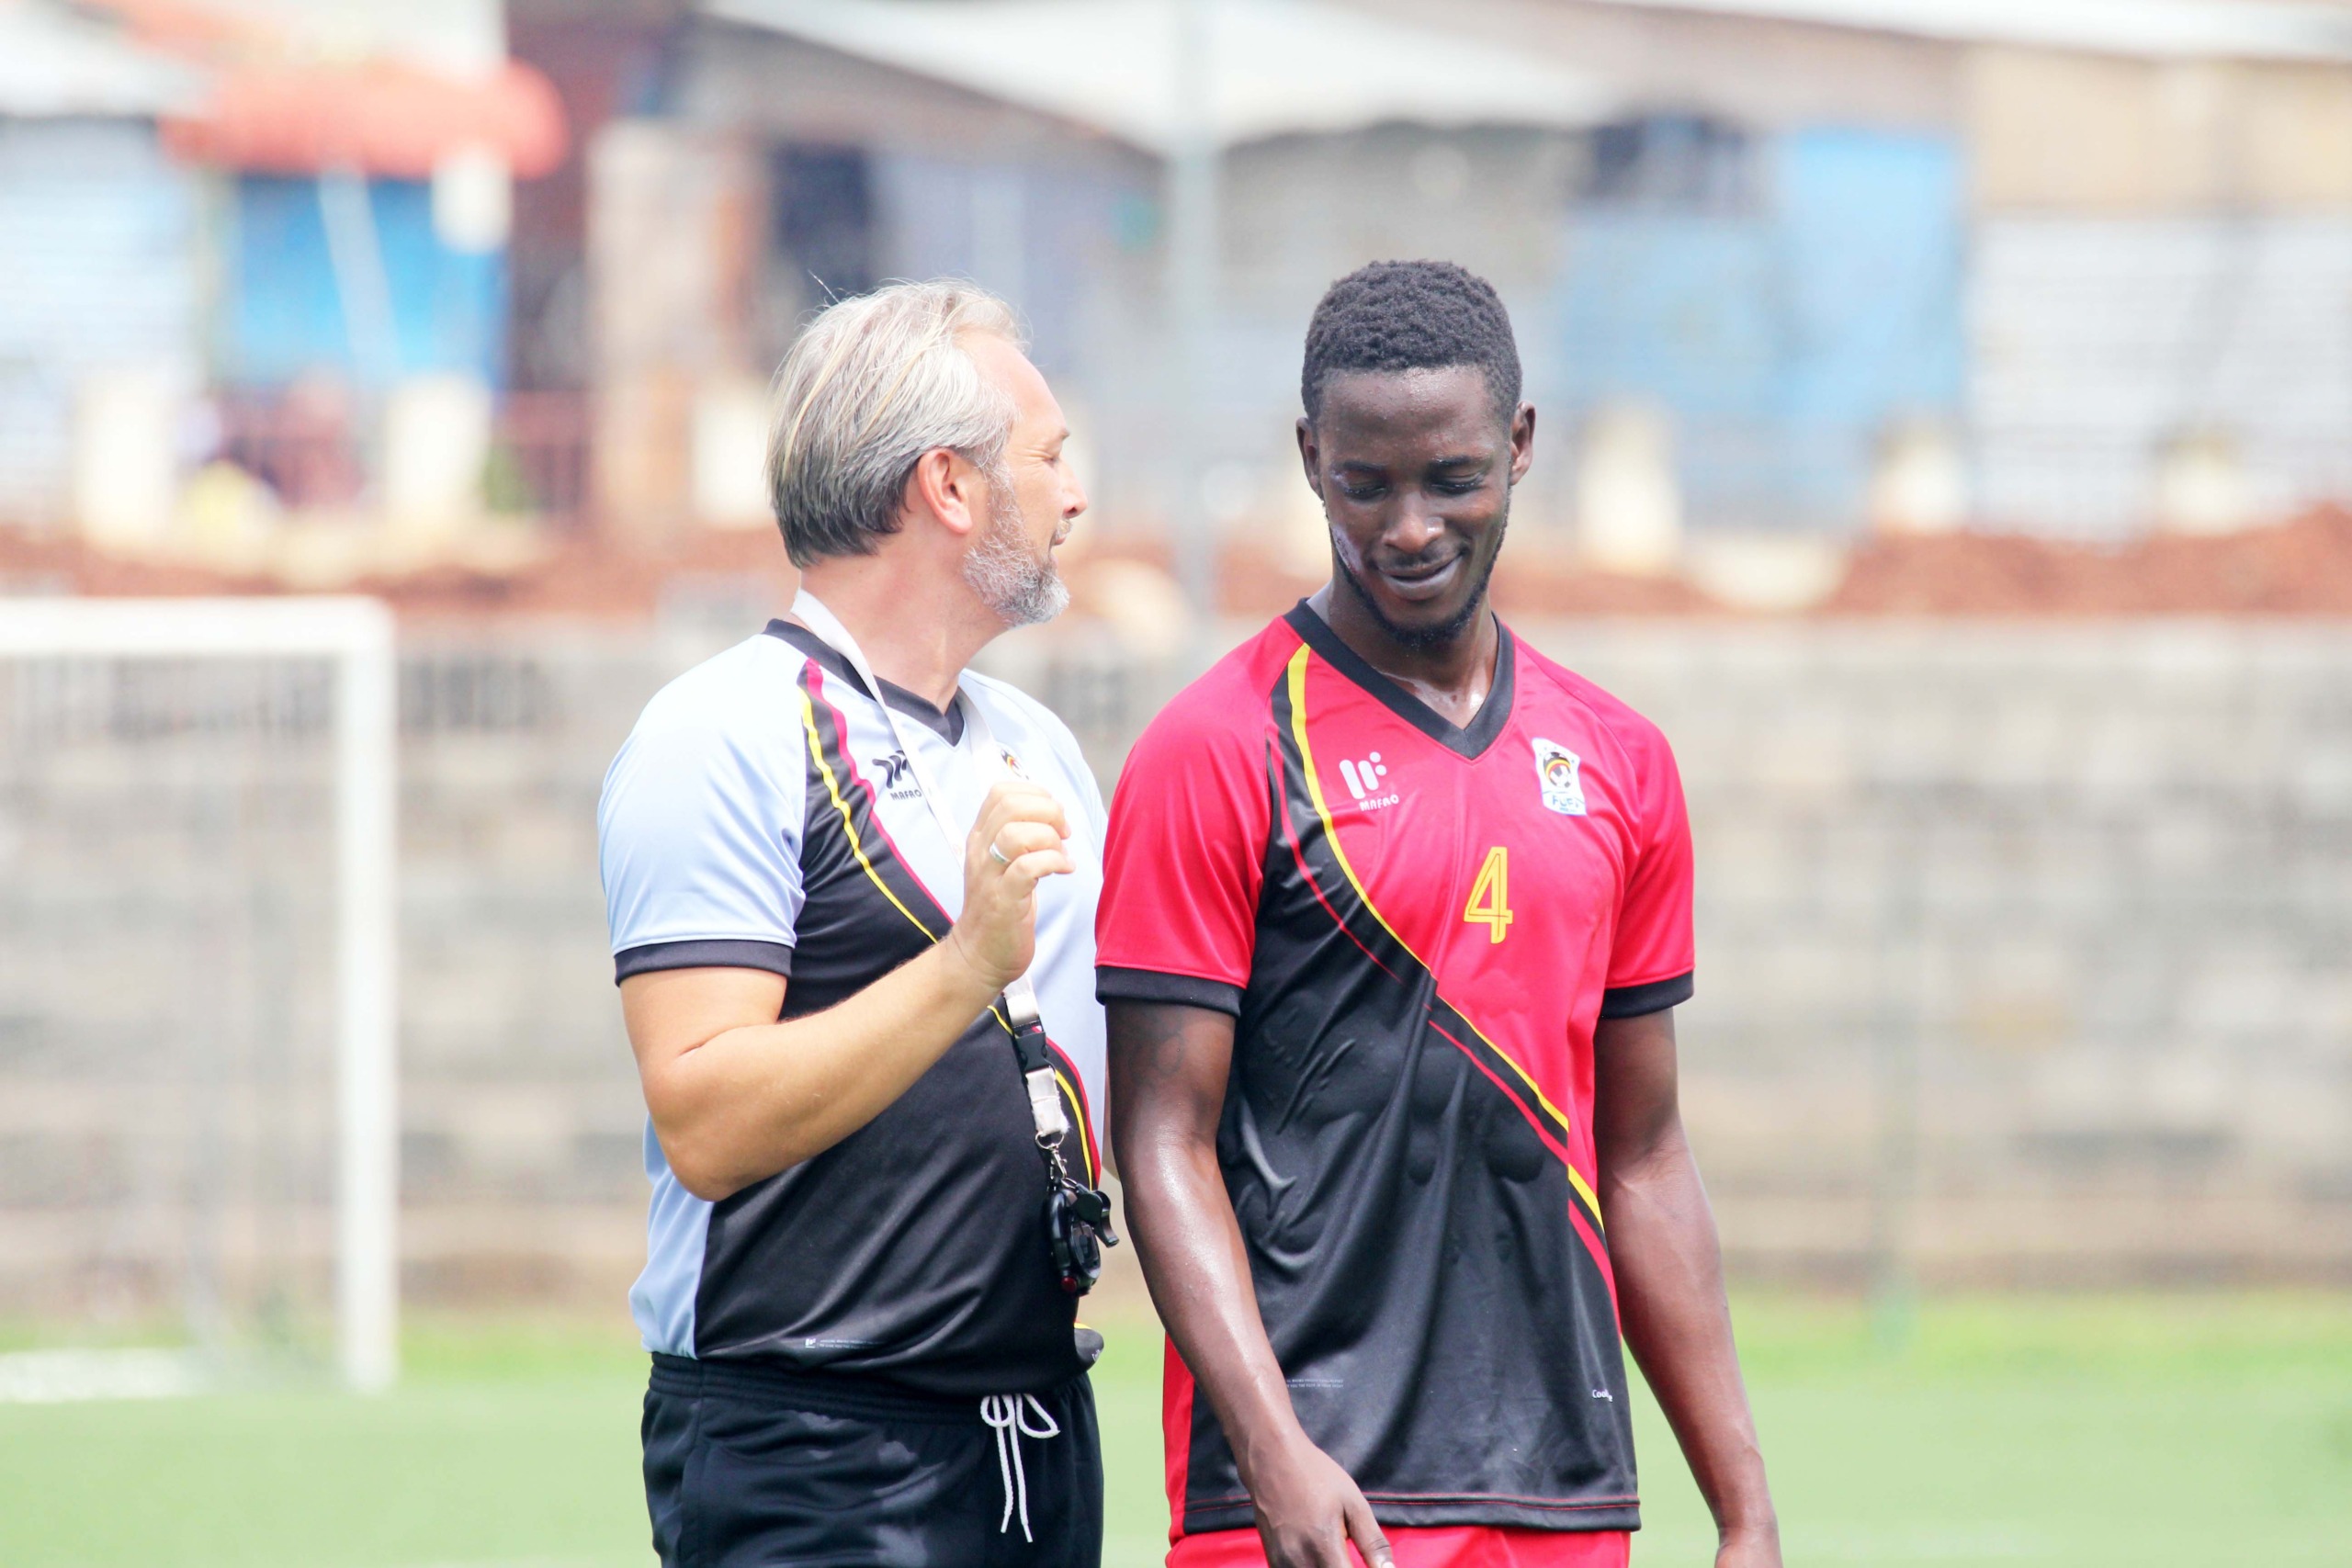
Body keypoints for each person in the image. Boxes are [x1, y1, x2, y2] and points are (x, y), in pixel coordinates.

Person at [1098, 260, 1780, 1568]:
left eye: (1452, 478)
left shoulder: (1621, 760)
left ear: (1520, 449)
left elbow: (1643, 1154)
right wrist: (1273, 1447)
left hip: (1563, 1495)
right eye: (1366, 484)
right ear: (1310, 459)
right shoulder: (1219, 749)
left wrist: (1742, 1507)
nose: (1409, 527)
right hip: (1306, 1506)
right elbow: (1162, 1143)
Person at [599, 280, 1113, 1567]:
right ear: (950, 486)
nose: (1073, 496)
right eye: (1049, 458)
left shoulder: (1035, 743)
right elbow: (707, 1119)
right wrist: (964, 967)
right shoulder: (722, 731)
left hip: (1040, 1431)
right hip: (812, 1450)